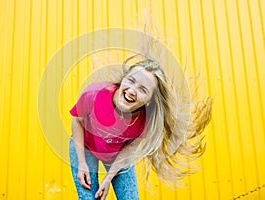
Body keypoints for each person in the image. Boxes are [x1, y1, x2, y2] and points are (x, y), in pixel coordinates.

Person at [69, 56, 212, 200]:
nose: (132, 90)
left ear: (150, 100)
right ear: (123, 79)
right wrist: (81, 163)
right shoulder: (94, 94)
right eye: (131, 81)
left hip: (118, 154)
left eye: (143, 89)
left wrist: (108, 178)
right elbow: (77, 122)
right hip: (85, 146)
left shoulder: (148, 119)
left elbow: (130, 148)